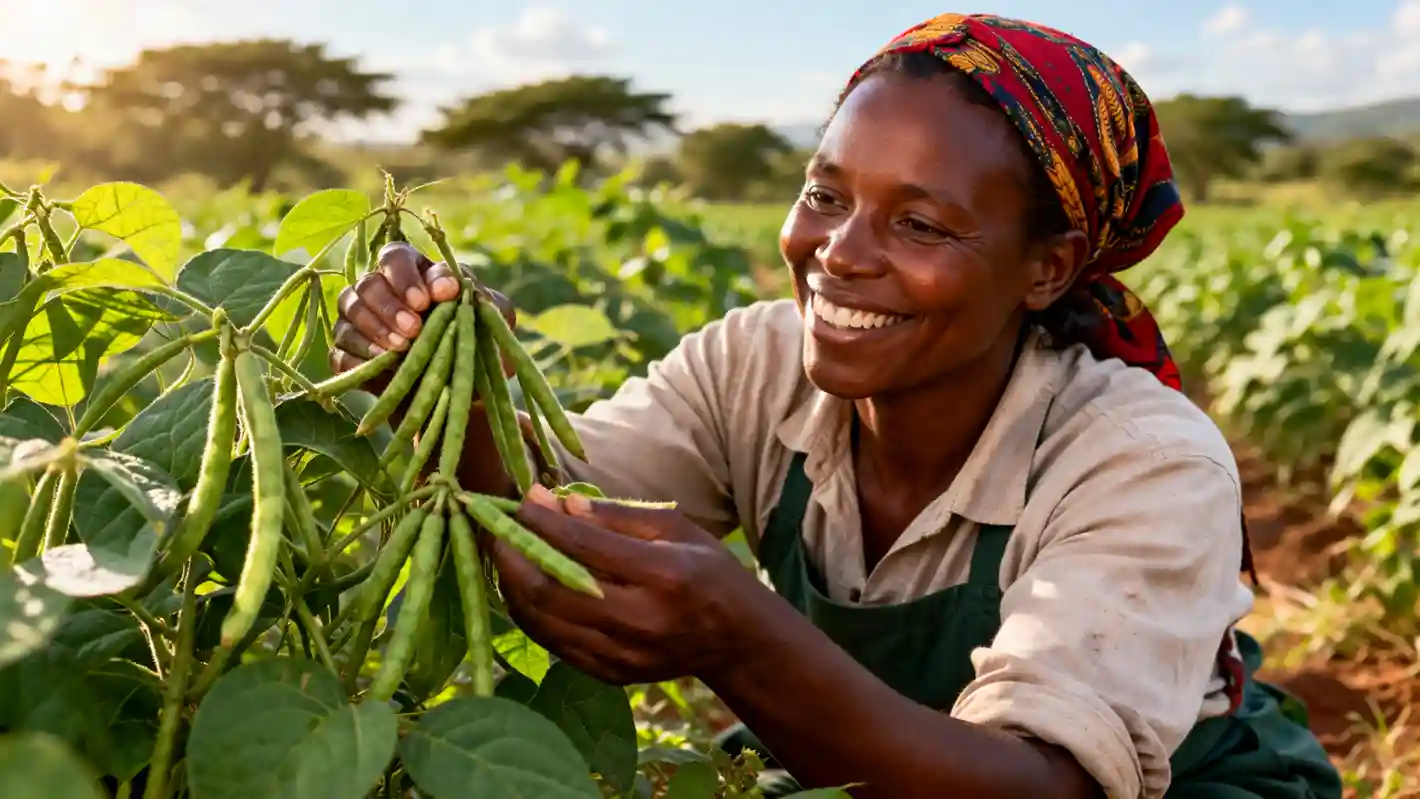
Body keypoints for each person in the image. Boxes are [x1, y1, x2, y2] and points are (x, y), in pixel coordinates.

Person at [329, 13, 1343, 799]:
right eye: (824, 196)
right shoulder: (753, 362)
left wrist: (741, 636)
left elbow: (1043, 784)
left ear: (1048, 267)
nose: (841, 255)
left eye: (919, 222)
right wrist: (449, 377)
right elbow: (541, 509)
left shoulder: (1140, 457)